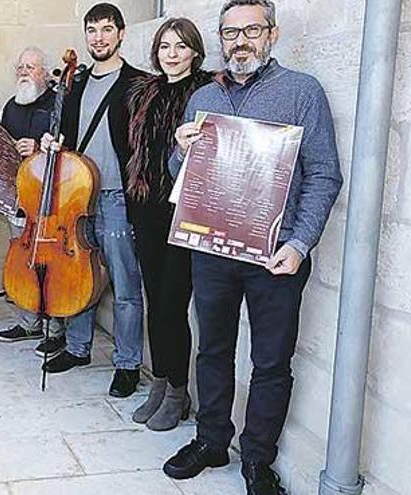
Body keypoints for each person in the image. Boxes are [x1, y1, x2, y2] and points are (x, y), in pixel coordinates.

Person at [161, 2, 343, 494]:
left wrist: (301, 244)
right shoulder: (202, 97)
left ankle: (258, 459)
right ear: (220, 38)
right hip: (213, 250)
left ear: (272, 34)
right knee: (214, 349)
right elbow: (182, 178)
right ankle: (211, 439)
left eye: (251, 30)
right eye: (230, 32)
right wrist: (179, 150)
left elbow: (325, 174)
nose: (240, 40)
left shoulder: (303, 91)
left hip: (275, 255)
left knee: (271, 361)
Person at [39, 3, 147, 400]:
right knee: (77, 273)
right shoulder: (77, 83)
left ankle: (127, 363)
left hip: (117, 197)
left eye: (106, 29)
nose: (98, 37)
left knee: (124, 283)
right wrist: (53, 142)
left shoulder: (138, 83)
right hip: (76, 197)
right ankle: (78, 348)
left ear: (121, 33)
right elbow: (67, 134)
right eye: (92, 30)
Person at [125, 18, 212, 431]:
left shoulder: (210, 90)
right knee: (154, 301)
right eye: (164, 47)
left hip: (185, 212)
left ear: (195, 51)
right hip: (147, 209)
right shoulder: (145, 92)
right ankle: (160, 382)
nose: (171, 54)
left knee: (173, 305)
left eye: (180, 46)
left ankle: (179, 391)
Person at [0, 47, 67, 354]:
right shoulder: (12, 105)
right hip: (21, 197)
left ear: (46, 73)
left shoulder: (59, 104)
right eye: (20, 67)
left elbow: (69, 146)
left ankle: (56, 328)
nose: (24, 72)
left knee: (52, 266)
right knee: (24, 262)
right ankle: (28, 322)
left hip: (52, 199)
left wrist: (37, 147)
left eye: (31, 67)